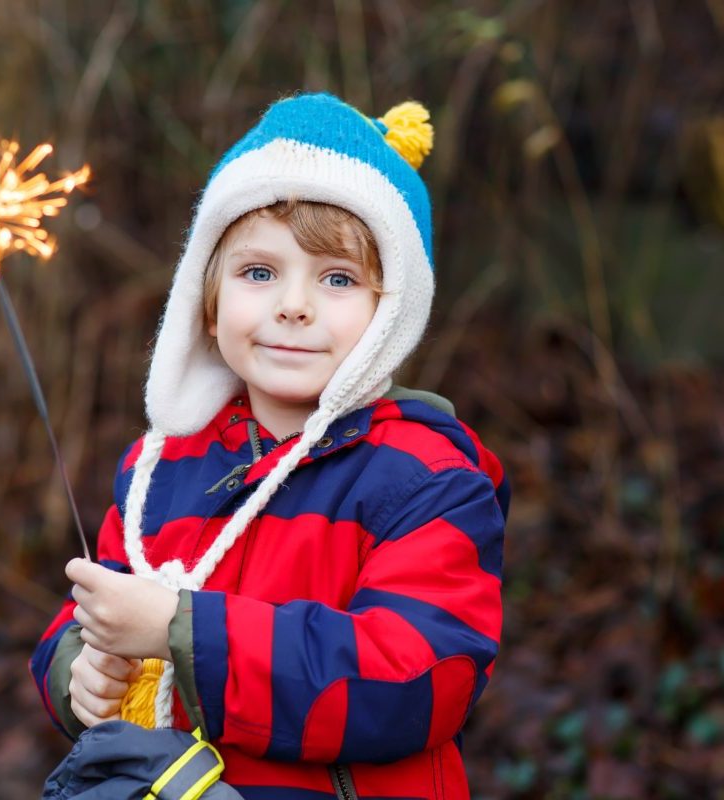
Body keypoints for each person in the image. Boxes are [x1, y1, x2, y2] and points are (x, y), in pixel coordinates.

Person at [31, 92, 510, 800]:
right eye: (259, 272)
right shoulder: (160, 469)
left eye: (338, 278)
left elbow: (416, 679)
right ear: (209, 297)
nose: (293, 304)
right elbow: (93, 606)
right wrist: (80, 670)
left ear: (394, 312)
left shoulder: (426, 478)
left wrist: (182, 633)